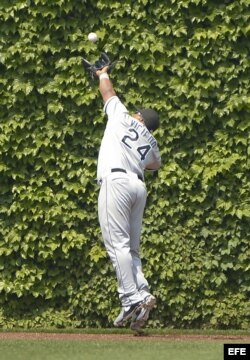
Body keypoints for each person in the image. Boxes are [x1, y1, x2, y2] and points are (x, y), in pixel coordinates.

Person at [96, 65, 161, 332]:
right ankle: (143, 294)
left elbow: (108, 92)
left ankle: (130, 299)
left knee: (117, 247)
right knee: (131, 249)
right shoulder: (152, 143)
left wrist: (101, 74)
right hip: (138, 187)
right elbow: (154, 166)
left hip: (116, 182)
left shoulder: (122, 117)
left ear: (139, 118)